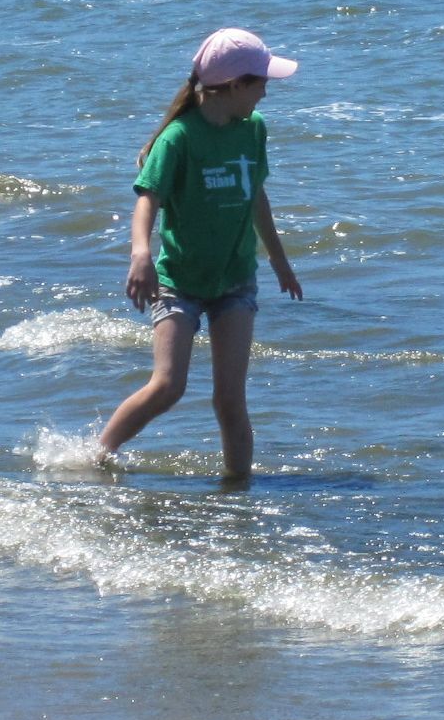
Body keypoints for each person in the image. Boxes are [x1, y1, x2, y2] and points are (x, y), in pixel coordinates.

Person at [98, 27, 303, 482]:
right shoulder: (179, 138)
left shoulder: (253, 130)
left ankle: (238, 495)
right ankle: (96, 457)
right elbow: (148, 199)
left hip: (235, 280)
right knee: (168, 386)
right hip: (179, 282)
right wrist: (140, 254)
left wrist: (279, 261)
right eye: (260, 83)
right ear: (234, 86)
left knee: (231, 399)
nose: (266, 92)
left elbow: (257, 197)